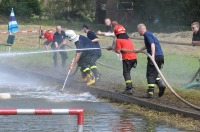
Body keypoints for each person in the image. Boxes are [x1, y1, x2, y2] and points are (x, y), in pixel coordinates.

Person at [136, 23, 166, 98]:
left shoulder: (146, 34)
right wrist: (139, 50)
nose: (138, 32)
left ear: (140, 30)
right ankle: (160, 84)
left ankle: (150, 93)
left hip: (155, 56)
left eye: (138, 30)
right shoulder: (150, 34)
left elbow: (152, 44)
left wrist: (152, 55)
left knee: (150, 74)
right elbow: (147, 45)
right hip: (160, 56)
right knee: (154, 73)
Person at [107, 24, 137, 94]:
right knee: (128, 72)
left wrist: (111, 48)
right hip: (134, 58)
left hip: (127, 58)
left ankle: (129, 89)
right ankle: (131, 87)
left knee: (126, 73)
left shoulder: (119, 40)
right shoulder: (128, 39)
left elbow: (118, 51)